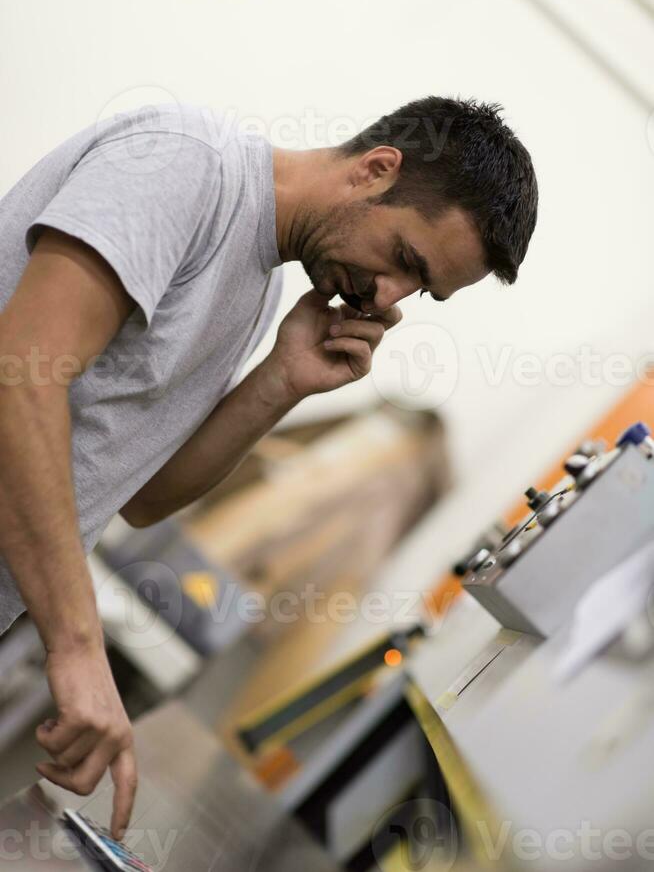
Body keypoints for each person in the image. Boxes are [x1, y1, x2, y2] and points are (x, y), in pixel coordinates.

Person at [0, 96, 537, 837]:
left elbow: (143, 496)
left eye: (422, 292)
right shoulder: (189, 168)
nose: (389, 299)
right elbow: (20, 374)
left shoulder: (257, 287)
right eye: (405, 261)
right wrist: (77, 643)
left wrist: (281, 381)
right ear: (376, 171)